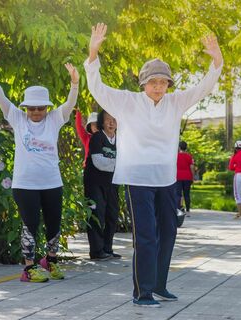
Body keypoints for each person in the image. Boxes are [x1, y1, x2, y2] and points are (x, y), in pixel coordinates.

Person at [84, 23, 223, 307]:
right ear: (144, 83)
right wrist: (94, 51)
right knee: (146, 235)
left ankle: (159, 285)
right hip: (138, 178)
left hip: (166, 178)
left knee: (169, 232)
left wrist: (216, 59)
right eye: (153, 82)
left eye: (163, 82)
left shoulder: (175, 102)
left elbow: (204, 87)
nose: (158, 87)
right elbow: (97, 87)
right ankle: (142, 292)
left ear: (168, 85)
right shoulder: (126, 102)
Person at [0, 52, 79, 282]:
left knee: (54, 225)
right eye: (32, 108)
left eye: (40, 108)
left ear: (47, 108)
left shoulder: (55, 119)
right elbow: (2, 98)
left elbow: (69, 104)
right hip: (25, 184)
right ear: (25, 108)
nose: (36, 112)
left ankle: (51, 261)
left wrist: (75, 84)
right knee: (30, 225)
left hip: (52, 182)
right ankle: (28, 269)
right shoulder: (17, 119)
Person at [84, 110, 121, 260]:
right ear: (101, 122)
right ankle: (97, 251)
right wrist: (120, 164)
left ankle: (107, 248)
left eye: (114, 119)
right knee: (97, 214)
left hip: (112, 182)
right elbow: (100, 163)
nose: (111, 123)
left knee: (112, 215)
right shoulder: (97, 138)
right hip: (95, 183)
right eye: (108, 120)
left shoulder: (121, 139)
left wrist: (118, 165)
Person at [228, 141, 241, 218]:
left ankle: (240, 213)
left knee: (237, 194)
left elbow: (230, 167)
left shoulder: (235, 156)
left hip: (238, 175)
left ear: (236, 148)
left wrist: (236, 167)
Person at [176, 141, 194, 214]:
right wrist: (192, 176)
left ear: (179, 147)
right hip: (187, 177)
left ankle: (179, 209)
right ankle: (188, 210)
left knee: (178, 194)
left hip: (178, 177)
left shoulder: (176, 156)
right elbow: (192, 167)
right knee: (187, 194)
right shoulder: (189, 156)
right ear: (186, 148)